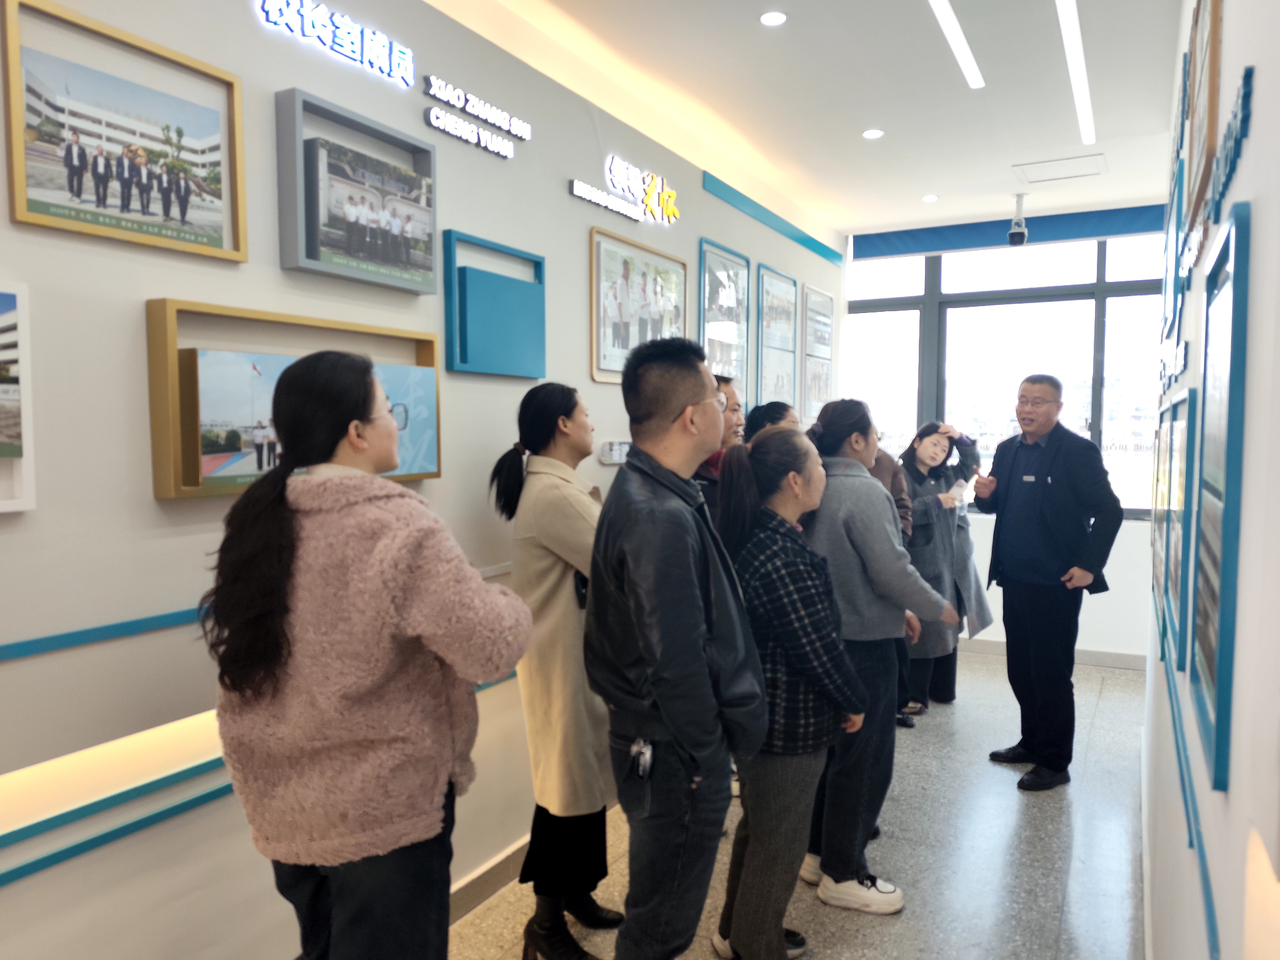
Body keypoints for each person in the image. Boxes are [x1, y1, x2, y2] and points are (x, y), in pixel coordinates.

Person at [205, 351, 531, 959]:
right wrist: (508, 601)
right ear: (356, 432)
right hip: (385, 814)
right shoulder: (398, 526)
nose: (396, 425)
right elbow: (490, 647)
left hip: (287, 808)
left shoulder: (256, 520)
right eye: (389, 411)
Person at [584, 337, 766, 960]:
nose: (729, 411)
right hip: (674, 752)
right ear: (692, 416)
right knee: (661, 927)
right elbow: (676, 661)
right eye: (719, 399)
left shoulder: (658, 490)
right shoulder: (656, 513)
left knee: (659, 911)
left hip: (667, 744)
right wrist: (709, 756)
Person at [713, 426, 868, 960]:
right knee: (778, 846)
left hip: (764, 719)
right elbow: (817, 648)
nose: (826, 473)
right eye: (818, 465)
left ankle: (737, 930)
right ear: (795, 481)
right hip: (787, 725)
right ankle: (756, 946)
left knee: (760, 831)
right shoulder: (781, 556)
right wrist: (854, 699)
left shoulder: (761, 538)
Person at [799, 399, 958, 914]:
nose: (879, 444)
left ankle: (818, 852)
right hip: (864, 645)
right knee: (865, 761)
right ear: (856, 441)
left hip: (824, 639)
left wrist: (900, 611)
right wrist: (936, 606)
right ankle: (843, 872)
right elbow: (890, 569)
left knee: (832, 756)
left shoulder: (811, 481)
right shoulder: (864, 490)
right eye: (875, 434)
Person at [491, 384, 623, 960]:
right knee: (565, 800)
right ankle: (544, 927)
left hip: (570, 663)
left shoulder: (557, 489)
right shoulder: (552, 495)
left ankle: (575, 895)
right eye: (585, 413)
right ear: (563, 426)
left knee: (579, 790)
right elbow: (618, 563)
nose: (592, 422)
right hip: (561, 669)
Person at [974, 375, 1122, 791]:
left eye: (1038, 402)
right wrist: (984, 495)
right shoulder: (1007, 449)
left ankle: (1055, 762)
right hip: (1014, 577)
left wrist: (1089, 566)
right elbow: (995, 505)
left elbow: (1109, 511)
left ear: (1058, 407)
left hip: (1056, 583)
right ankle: (1032, 742)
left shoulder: (1077, 451)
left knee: (1051, 675)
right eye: (1023, 400)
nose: (1028, 409)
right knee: (1021, 670)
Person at [899, 423, 993, 714]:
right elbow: (898, 511)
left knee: (949, 625)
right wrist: (934, 503)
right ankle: (914, 696)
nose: (938, 451)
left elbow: (972, 463)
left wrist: (960, 438)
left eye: (944, 448)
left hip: (953, 561)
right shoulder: (900, 475)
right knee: (927, 629)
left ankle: (943, 690)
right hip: (922, 561)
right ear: (917, 442)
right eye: (933, 444)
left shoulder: (948, 476)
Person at [865, 450, 917, 729]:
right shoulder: (821, 457)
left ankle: (897, 705)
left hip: (887, 555)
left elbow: (903, 504)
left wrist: (901, 538)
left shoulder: (885, 461)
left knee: (895, 642)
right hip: (853, 569)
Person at [693, 376, 745, 517]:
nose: (741, 421)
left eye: (741, 412)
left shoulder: (743, 466)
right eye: (734, 410)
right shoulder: (687, 471)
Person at [63, 132, 87, 203]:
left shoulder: (82, 148)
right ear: (72, 138)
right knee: (70, 180)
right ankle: (71, 193)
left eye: (76, 137)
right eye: (73, 137)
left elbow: (84, 159)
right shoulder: (69, 146)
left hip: (79, 167)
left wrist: (85, 169)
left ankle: (78, 196)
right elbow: (66, 156)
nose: (74, 138)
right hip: (71, 166)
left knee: (79, 183)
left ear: (78, 139)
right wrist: (66, 165)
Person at [116, 146, 136, 213]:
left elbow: (134, 169)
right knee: (122, 192)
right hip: (122, 178)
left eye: (127, 150)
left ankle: (127, 207)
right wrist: (117, 176)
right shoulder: (119, 158)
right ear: (123, 151)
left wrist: (134, 177)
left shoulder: (131, 159)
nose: (125, 152)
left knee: (128, 193)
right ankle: (122, 206)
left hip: (129, 178)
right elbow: (117, 168)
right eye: (124, 150)